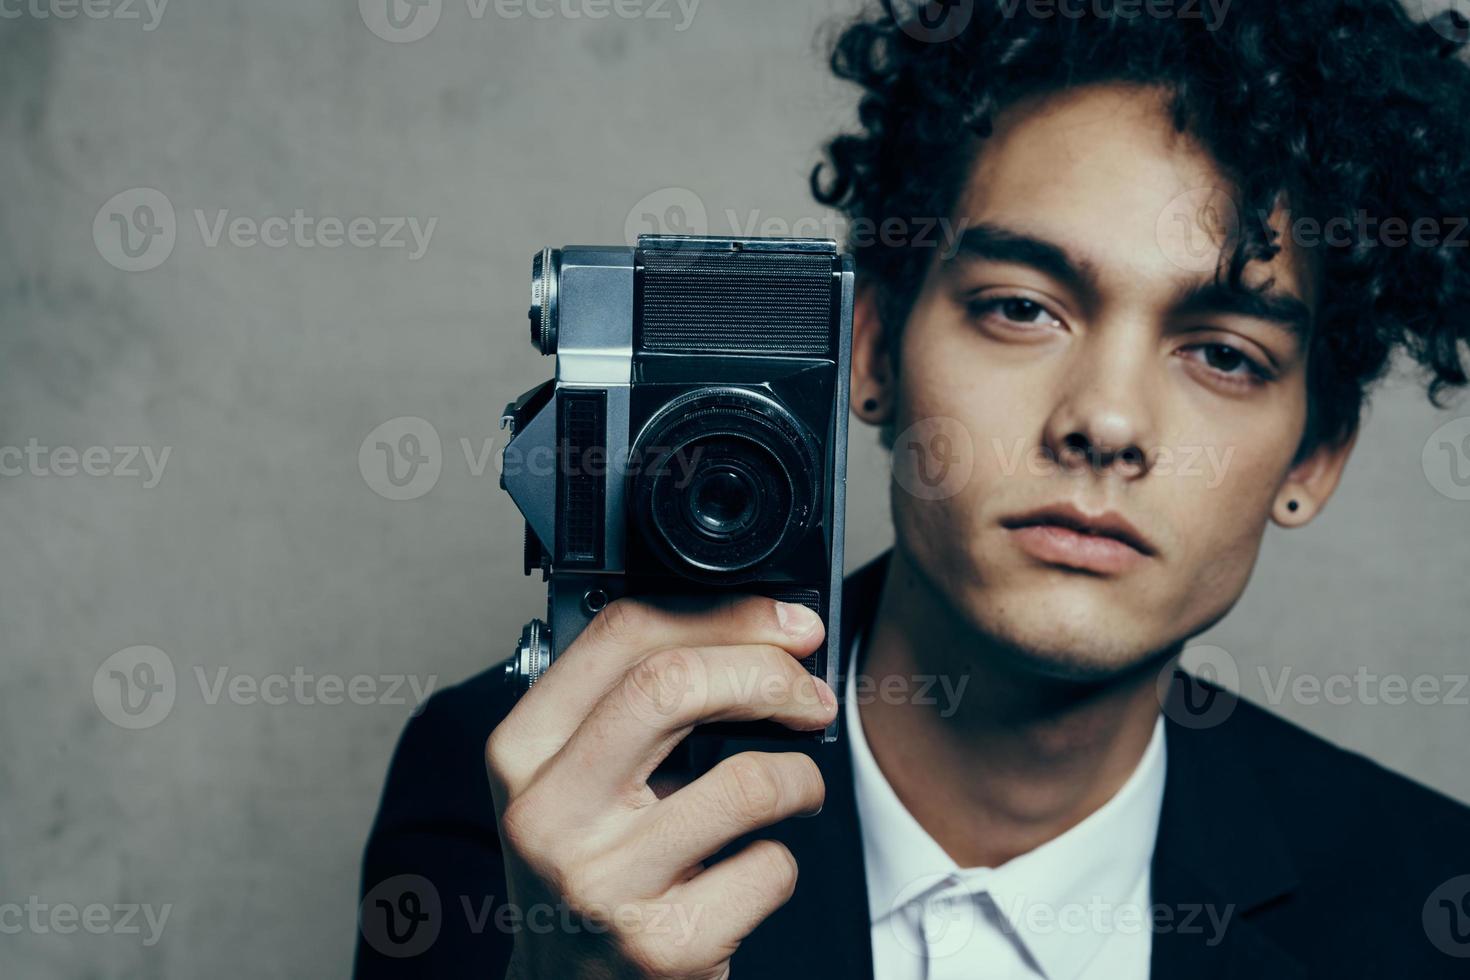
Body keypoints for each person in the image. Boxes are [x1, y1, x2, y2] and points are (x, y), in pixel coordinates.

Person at [355, 2, 1470, 976]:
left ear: (1314, 458)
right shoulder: (519, 790)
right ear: (873, 353)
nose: (1108, 421)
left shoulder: (1429, 904)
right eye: (1021, 307)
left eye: (1224, 353)